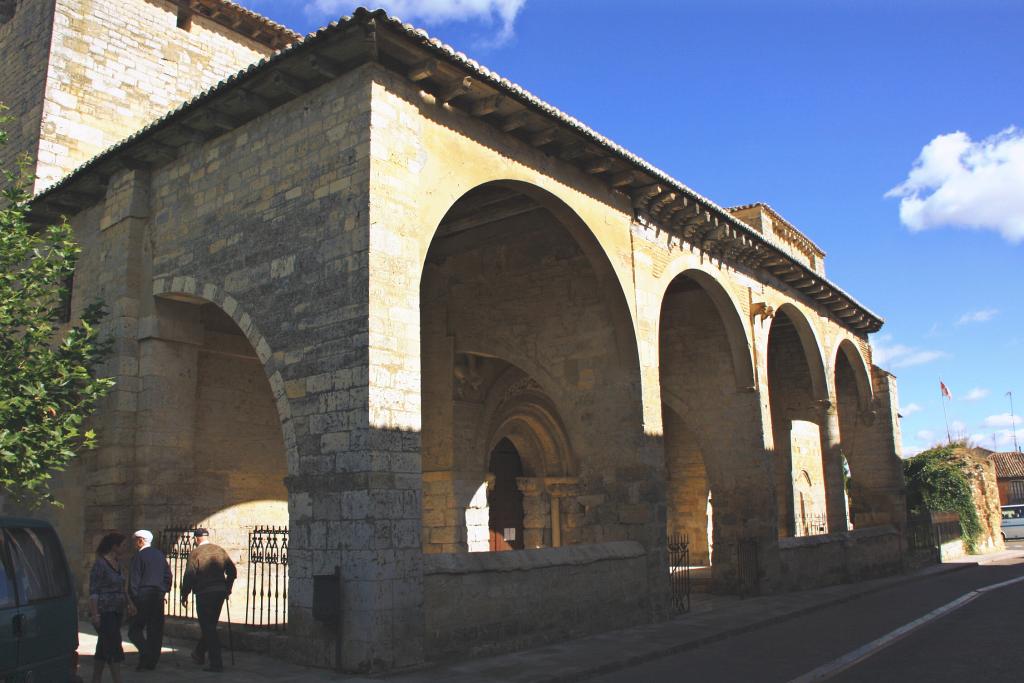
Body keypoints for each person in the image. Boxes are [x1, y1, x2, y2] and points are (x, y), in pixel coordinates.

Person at [180, 528, 236, 672]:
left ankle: (216, 663)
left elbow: (190, 575)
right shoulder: (219, 550)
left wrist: (184, 593)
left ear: (196, 539)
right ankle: (199, 653)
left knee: (208, 627)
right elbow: (232, 571)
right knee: (210, 625)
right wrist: (228, 587)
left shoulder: (195, 553)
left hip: (204, 593)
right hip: (219, 592)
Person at [88, 532, 135, 683]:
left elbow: (122, 588)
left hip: (117, 610)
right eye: (123, 545)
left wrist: (129, 603)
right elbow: (94, 591)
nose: (125, 548)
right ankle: (118, 679)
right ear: (114, 546)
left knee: (103, 646)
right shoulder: (100, 564)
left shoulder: (118, 564)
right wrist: (95, 614)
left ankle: (96, 679)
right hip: (104, 610)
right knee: (114, 644)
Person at [127, 529, 171, 671]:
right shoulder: (159, 555)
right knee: (155, 630)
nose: (134, 544)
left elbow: (134, 581)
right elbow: (168, 576)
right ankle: (151, 661)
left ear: (140, 541)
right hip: (157, 596)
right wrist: (163, 590)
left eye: (135, 541)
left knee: (134, 629)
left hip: (143, 596)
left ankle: (145, 652)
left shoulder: (138, 557)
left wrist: (133, 599)